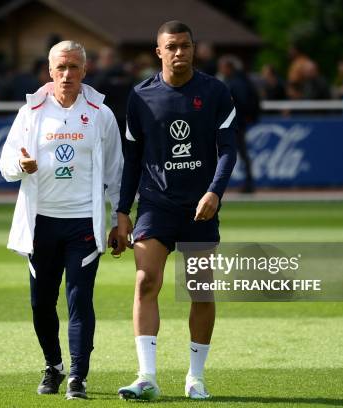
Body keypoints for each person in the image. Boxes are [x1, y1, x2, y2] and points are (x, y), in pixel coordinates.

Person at [115, 21, 237, 400]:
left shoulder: (215, 92)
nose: (179, 52)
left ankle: (195, 377)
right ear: (159, 52)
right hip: (155, 204)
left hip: (200, 207)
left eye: (185, 46)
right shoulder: (140, 96)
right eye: (171, 47)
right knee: (145, 281)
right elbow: (132, 160)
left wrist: (214, 192)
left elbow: (228, 150)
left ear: (193, 48)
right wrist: (122, 211)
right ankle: (146, 376)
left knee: (199, 290)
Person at [0, 40, 123, 400]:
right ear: (49, 72)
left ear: (85, 72)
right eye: (61, 68)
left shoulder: (101, 113)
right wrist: (20, 165)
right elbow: (6, 164)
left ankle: (78, 377)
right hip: (41, 225)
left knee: (80, 299)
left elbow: (116, 172)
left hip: (83, 222)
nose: (67, 74)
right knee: (41, 303)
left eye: (74, 68)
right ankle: (53, 366)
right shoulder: (32, 112)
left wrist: (119, 219)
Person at [217, 55, 260, 193]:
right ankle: (248, 182)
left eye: (223, 67)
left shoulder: (236, 82)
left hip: (236, 123)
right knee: (238, 152)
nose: (221, 70)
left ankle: (249, 183)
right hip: (236, 122)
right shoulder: (237, 80)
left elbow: (241, 102)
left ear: (229, 68)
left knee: (236, 152)